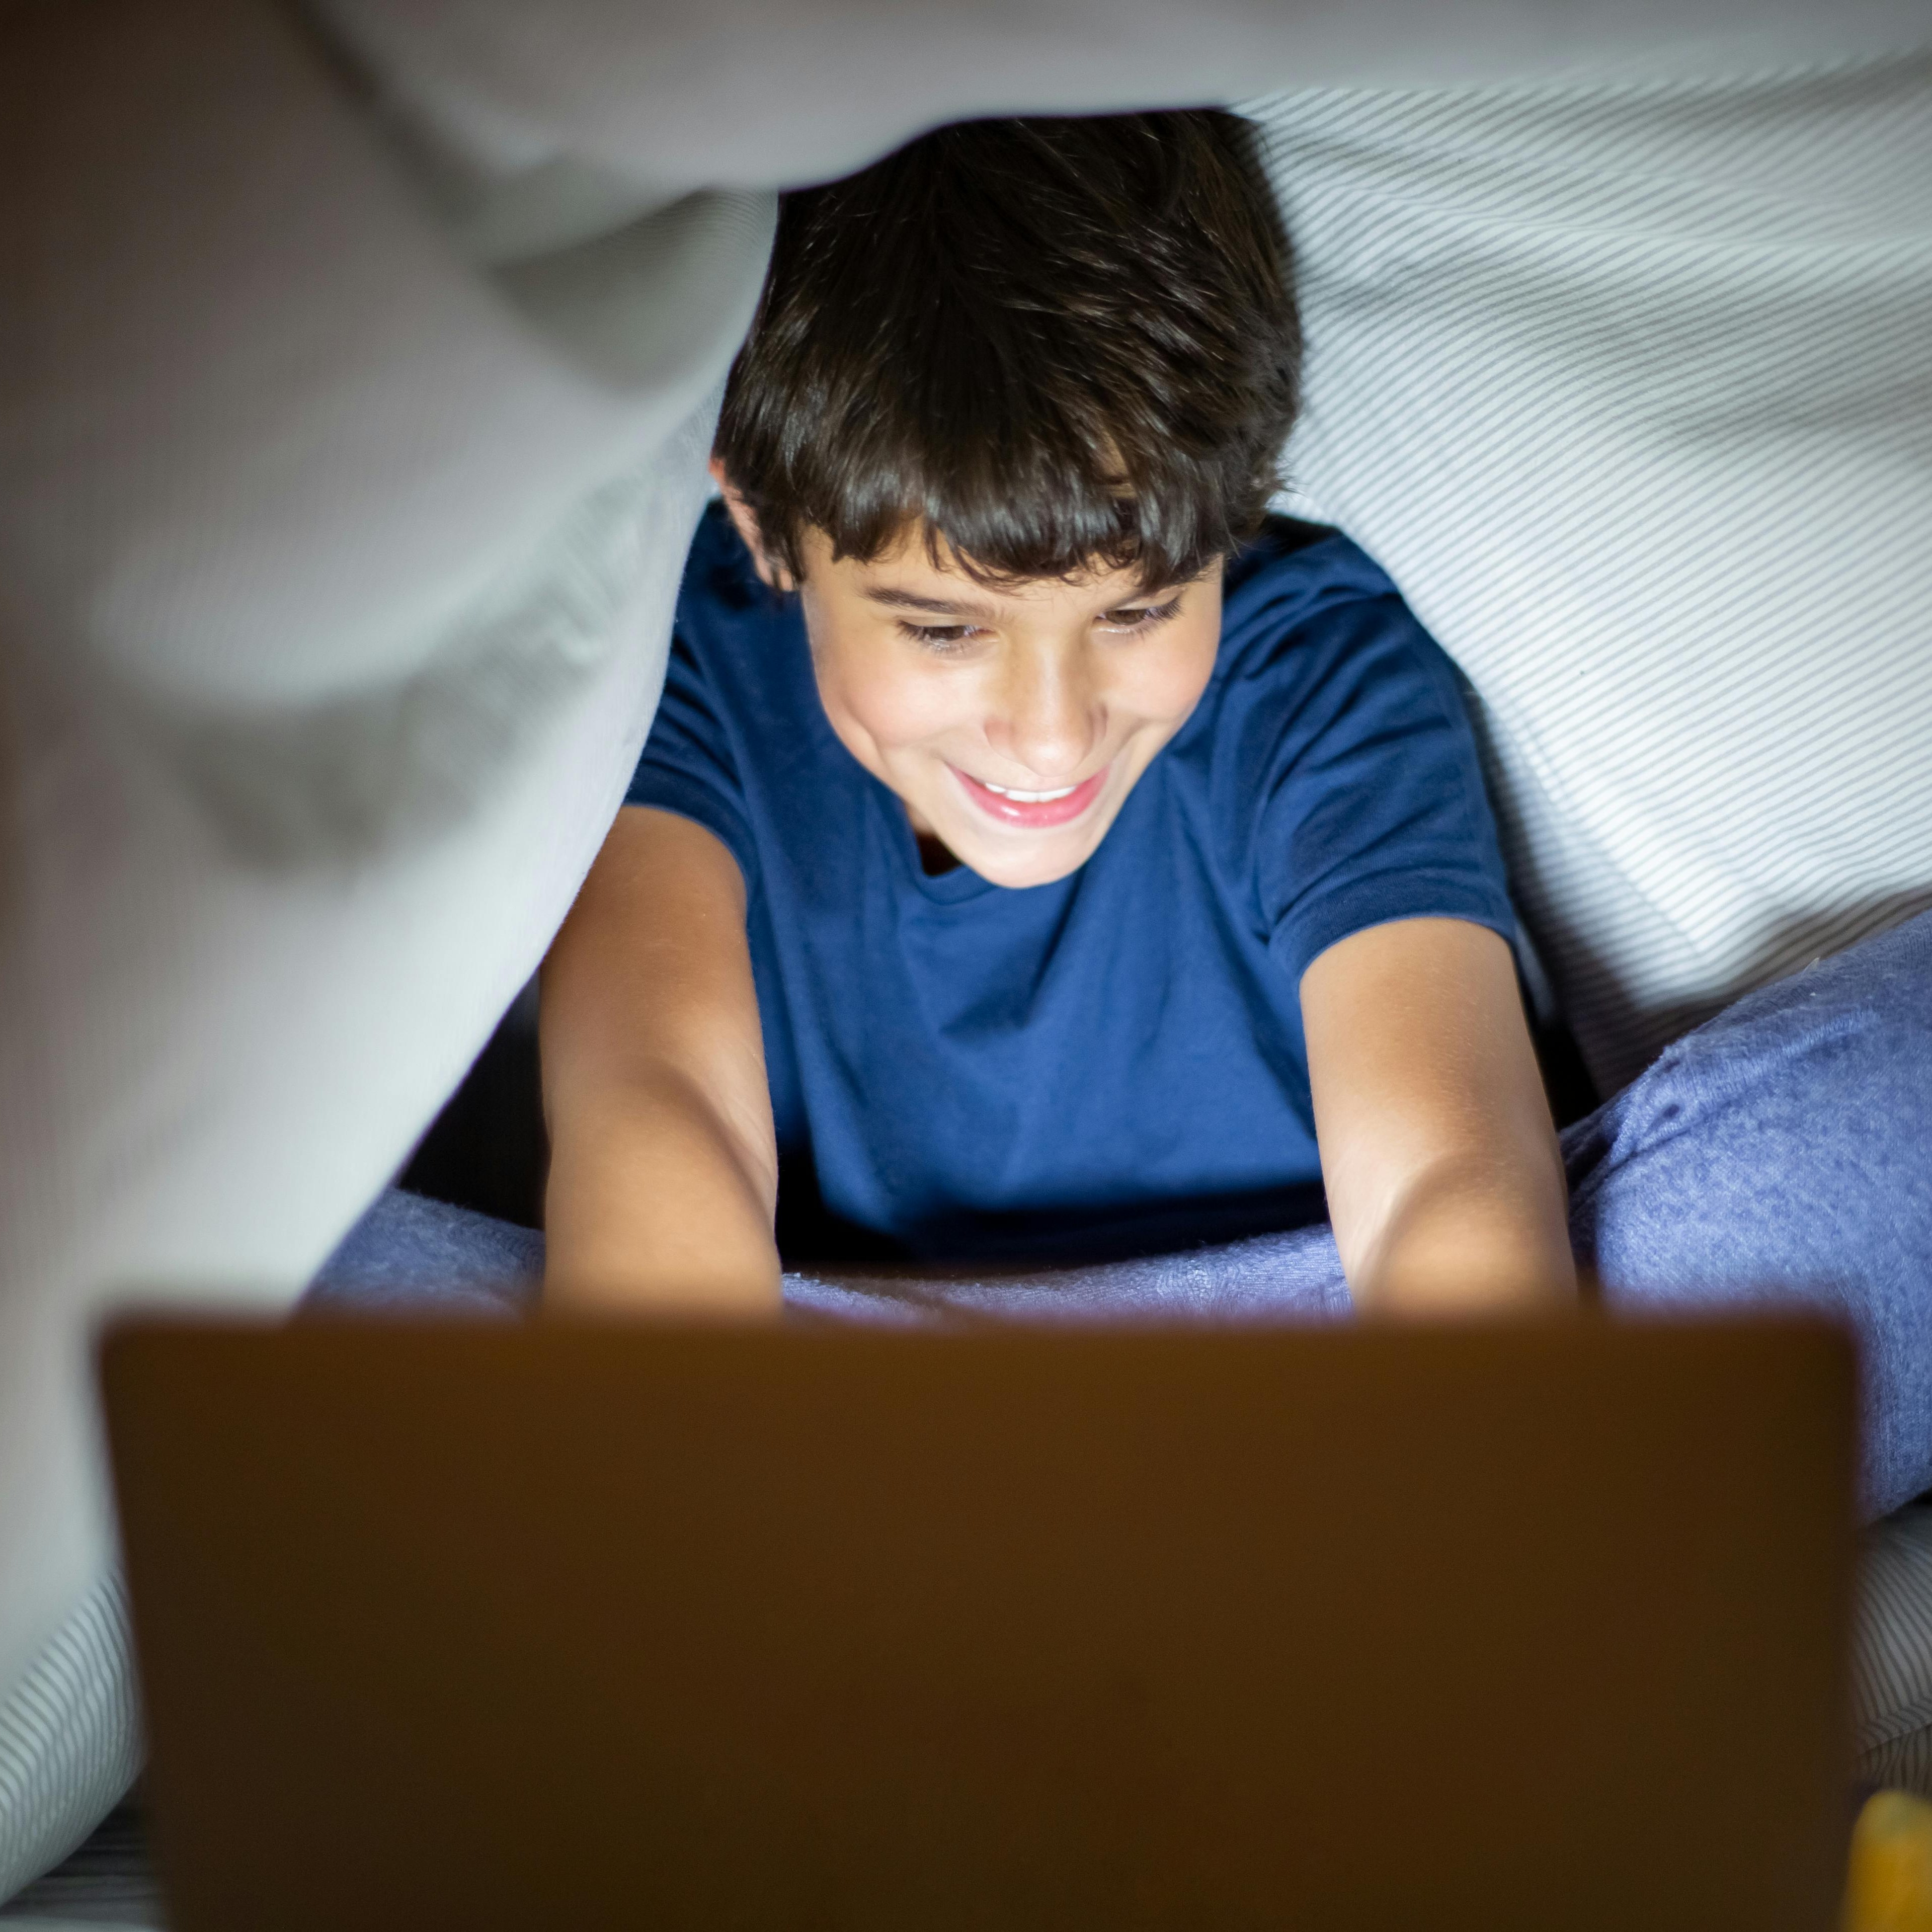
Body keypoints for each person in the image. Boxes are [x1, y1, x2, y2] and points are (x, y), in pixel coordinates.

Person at [319, 108, 1930, 1520]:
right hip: (824, 1379)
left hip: (1323, 1368)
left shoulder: (1315, 660)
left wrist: (1478, 1532)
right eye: (941, 628)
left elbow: (1445, 1178)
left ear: (1234, 522)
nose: (1051, 729)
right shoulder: (685, 653)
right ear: (760, 517)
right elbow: (661, 1114)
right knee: (286, 1279)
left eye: (1141, 608)